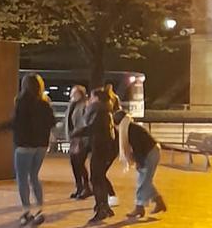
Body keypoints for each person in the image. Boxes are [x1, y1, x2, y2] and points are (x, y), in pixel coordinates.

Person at [0, 74, 55, 226]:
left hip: (24, 145)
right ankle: (41, 209)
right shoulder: (44, 104)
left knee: (22, 179)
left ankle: (27, 212)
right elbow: (52, 122)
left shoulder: (21, 102)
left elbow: (15, 123)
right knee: (34, 176)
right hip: (41, 146)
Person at [71, 89, 116, 223]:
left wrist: (77, 133)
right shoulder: (103, 110)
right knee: (98, 178)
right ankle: (104, 206)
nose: (89, 99)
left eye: (91, 97)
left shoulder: (100, 112)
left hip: (101, 148)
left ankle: (101, 208)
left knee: (96, 179)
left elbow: (93, 128)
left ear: (97, 98)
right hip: (103, 148)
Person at [114, 110, 167, 218]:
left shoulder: (130, 130)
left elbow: (138, 148)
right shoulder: (130, 128)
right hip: (150, 152)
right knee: (145, 180)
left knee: (142, 181)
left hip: (150, 154)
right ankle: (158, 201)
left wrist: (139, 162)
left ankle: (139, 207)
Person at [66, 85, 92, 200]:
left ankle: (86, 188)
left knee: (79, 163)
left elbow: (84, 123)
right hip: (73, 138)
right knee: (74, 163)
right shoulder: (72, 105)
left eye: (74, 93)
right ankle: (79, 187)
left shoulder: (84, 105)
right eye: (72, 93)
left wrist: (81, 138)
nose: (72, 95)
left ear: (81, 94)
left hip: (81, 139)